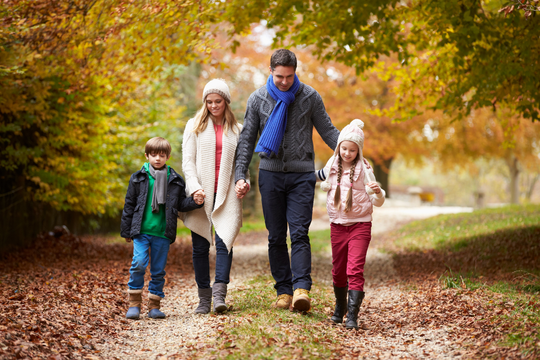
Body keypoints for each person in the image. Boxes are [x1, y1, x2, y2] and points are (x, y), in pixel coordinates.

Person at [235, 49, 340, 312]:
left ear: (296, 72)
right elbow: (247, 140)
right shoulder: (258, 98)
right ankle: (283, 291)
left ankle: (301, 289)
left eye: (289, 76)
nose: (284, 81)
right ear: (270, 71)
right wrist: (240, 174)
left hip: (302, 175)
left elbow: (327, 130)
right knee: (276, 236)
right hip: (269, 174)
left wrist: (354, 152)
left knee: (300, 233)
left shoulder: (310, 97)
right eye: (280, 76)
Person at [182, 79, 249, 314]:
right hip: (201, 193)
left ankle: (219, 296)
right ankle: (203, 299)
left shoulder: (237, 130)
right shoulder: (194, 126)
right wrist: (193, 187)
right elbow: (188, 163)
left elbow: (242, 165)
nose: (213, 105)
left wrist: (244, 182)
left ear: (226, 101)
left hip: (227, 193)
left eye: (217, 101)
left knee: (224, 243)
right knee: (200, 247)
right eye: (209, 101)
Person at [121, 137, 204, 320]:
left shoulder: (175, 180)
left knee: (158, 270)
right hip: (141, 232)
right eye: (153, 155)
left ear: (167, 156)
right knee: (139, 263)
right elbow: (129, 204)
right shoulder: (138, 178)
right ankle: (134, 303)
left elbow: (180, 203)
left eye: (161, 155)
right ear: (147, 155)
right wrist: (126, 231)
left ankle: (154, 306)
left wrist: (195, 202)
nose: (157, 159)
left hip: (163, 233)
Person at [316, 119, 385, 330]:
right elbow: (317, 179)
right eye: (344, 148)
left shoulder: (365, 170)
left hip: (360, 225)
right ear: (338, 147)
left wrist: (378, 192)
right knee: (338, 270)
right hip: (337, 224)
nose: (347, 153)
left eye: (352, 150)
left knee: (354, 269)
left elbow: (379, 201)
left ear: (359, 151)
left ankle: (352, 315)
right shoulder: (331, 165)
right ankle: (340, 307)